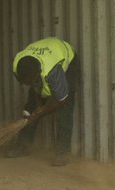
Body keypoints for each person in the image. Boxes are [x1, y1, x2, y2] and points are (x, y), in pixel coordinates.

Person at [7, 37, 79, 166]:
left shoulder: (52, 71)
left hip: (67, 59)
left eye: (31, 81)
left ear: (38, 74)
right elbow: (33, 87)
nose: (28, 84)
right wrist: (37, 106)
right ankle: (23, 145)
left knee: (65, 109)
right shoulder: (18, 65)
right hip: (43, 60)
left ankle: (62, 152)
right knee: (30, 107)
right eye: (26, 82)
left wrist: (40, 112)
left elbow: (61, 100)